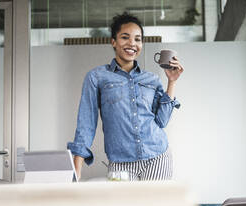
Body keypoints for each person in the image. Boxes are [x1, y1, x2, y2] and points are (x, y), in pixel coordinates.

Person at [67, 12, 184, 181]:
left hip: (157, 157)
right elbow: (86, 123)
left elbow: (161, 122)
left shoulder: (151, 79)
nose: (132, 43)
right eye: (125, 37)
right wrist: (76, 165)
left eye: (138, 39)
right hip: (120, 162)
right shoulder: (97, 77)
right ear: (113, 41)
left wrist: (171, 82)